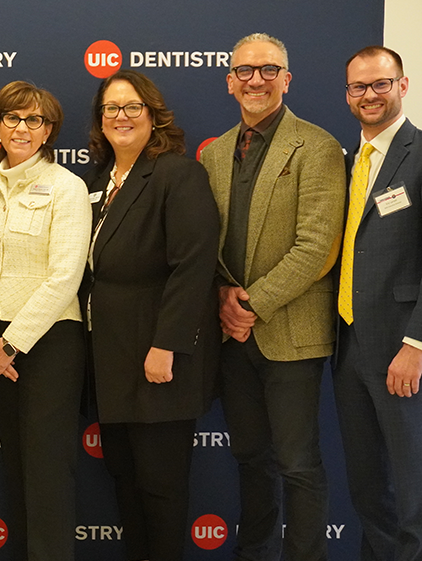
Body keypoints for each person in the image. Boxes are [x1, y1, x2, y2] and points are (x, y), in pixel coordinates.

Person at [199, 33, 345, 561]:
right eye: (244, 71)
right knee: (250, 460)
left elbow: (318, 246)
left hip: (289, 335)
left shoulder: (319, 145)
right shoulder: (214, 153)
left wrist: (251, 304)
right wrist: (223, 298)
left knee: (299, 465)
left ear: (287, 79)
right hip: (232, 338)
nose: (255, 80)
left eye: (268, 70)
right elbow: (206, 244)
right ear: (229, 81)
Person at [82, 70, 219, 561]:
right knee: (126, 483)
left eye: (132, 107)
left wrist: (167, 346)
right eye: (111, 109)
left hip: (158, 360)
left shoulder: (177, 174)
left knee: (160, 490)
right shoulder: (97, 182)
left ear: (153, 114)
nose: (121, 117)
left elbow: (193, 267)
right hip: (111, 361)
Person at [0, 81, 90, 561]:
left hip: (48, 344)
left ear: (49, 132)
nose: (22, 128)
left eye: (34, 120)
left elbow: (66, 276)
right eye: (13, 118)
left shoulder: (68, 187)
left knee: (47, 472)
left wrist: (11, 342)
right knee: (16, 471)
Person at [334, 45, 422, 561]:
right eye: (358, 87)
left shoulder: (420, 155)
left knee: (413, 492)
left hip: (401, 349)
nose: (369, 95)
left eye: (379, 84)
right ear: (347, 95)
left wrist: (415, 343)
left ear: (402, 86)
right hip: (348, 348)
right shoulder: (348, 163)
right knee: (369, 491)